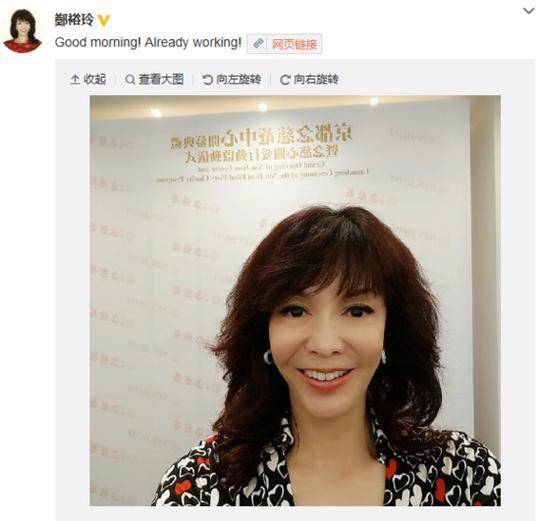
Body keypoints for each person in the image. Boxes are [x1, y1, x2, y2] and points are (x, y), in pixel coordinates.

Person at [150, 205, 501, 506]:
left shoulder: (465, 475)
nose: (325, 344)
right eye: (295, 310)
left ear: (391, 329)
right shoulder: (199, 489)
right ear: (263, 331)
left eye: (357, 310)